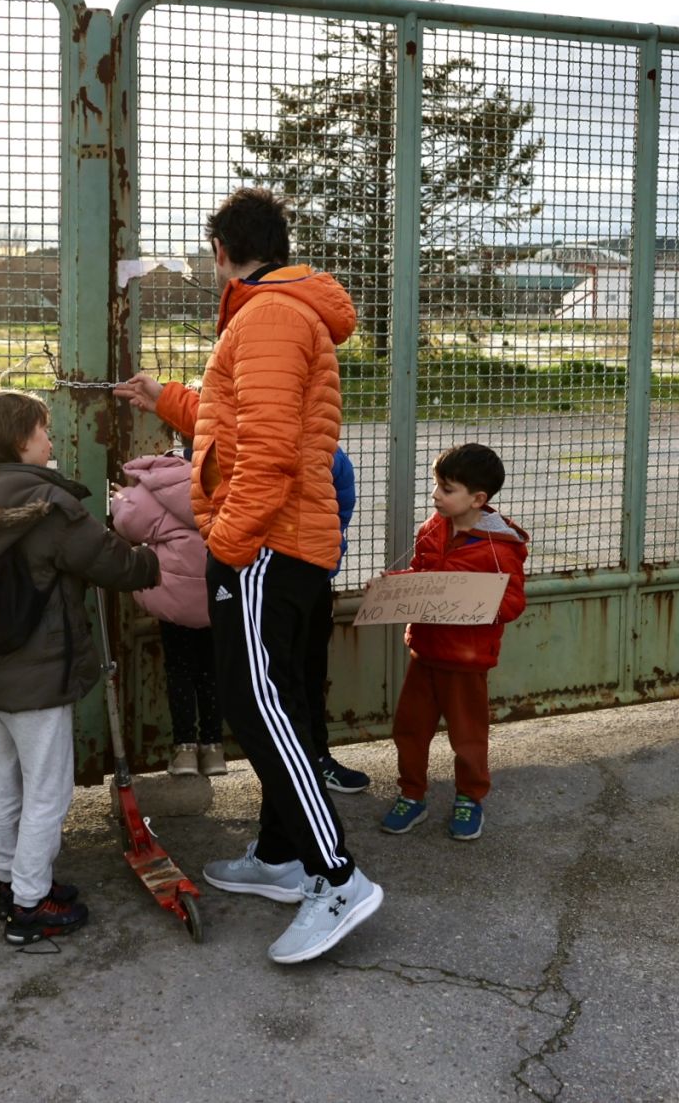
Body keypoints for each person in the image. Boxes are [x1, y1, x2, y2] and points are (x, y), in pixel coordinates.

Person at [114, 185, 383, 966]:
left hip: (266, 543)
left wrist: (225, 545)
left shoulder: (264, 315)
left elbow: (261, 454)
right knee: (279, 698)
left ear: (224, 250)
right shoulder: (284, 311)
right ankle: (279, 852)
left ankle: (336, 876)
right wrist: (165, 396)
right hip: (288, 538)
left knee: (254, 699)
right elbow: (241, 422)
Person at [0, 389, 160, 944]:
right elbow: (111, 562)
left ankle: (8, 882)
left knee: (3, 785)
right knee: (49, 790)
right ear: (22, 440)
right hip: (40, 670)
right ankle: (30, 904)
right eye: (44, 431)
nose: (51, 440)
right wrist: (153, 559)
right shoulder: (46, 506)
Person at [378, 443, 528, 842]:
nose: (435, 495)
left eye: (446, 489)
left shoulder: (500, 547)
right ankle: (411, 794)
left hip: (466, 660)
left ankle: (470, 797)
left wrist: (475, 603)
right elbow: (419, 573)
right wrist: (396, 590)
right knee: (409, 728)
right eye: (436, 486)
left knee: (468, 736)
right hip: (426, 651)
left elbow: (513, 601)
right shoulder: (432, 529)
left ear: (477, 498)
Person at [110, 451, 223, 776]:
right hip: (214, 594)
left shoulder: (152, 489)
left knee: (180, 670)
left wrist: (120, 497)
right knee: (210, 670)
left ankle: (185, 750)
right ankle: (213, 749)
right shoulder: (213, 481)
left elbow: (129, 523)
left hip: (173, 596)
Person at [309, 447, 372, 794]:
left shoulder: (330, 455)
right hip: (253, 581)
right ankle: (287, 770)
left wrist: (321, 554)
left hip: (312, 580)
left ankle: (316, 760)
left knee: (310, 675)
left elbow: (341, 509)